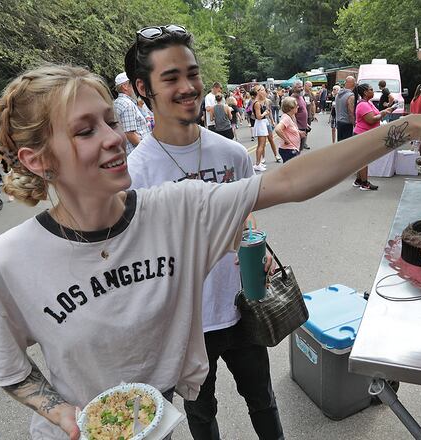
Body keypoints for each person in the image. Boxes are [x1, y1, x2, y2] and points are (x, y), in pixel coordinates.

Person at [0, 59, 421, 440]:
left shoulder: (175, 210)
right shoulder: (7, 262)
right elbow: (11, 369)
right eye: (85, 131)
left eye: (112, 120)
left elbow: (293, 180)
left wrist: (407, 127)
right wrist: (64, 415)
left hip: (162, 422)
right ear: (37, 159)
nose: (113, 138)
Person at [125, 31, 285, 439]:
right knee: (201, 413)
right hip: (187, 322)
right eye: (171, 77)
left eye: (193, 73)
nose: (188, 87)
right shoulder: (136, 173)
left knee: (263, 399)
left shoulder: (231, 153)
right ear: (143, 88)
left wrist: (256, 244)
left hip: (242, 303)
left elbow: (245, 215)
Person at [353, 83, 396, 191]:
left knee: (362, 159)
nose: (373, 91)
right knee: (364, 160)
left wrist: (385, 111)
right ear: (365, 92)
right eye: (371, 90)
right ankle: (364, 183)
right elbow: (371, 119)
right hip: (362, 135)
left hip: (366, 134)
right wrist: (382, 114)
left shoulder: (368, 103)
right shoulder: (363, 105)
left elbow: (376, 114)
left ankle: (359, 180)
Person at [113, 72, 149, 155]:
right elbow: (130, 134)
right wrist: (147, 150)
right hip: (138, 153)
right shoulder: (127, 104)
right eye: (133, 84)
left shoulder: (118, 102)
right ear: (125, 86)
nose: (136, 87)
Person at [274, 97, 301, 163]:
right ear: (291, 108)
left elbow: (289, 130)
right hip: (288, 149)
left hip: (290, 149)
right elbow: (277, 129)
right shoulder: (286, 118)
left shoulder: (289, 116)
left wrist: (299, 133)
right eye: (296, 105)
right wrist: (287, 141)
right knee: (292, 171)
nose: (298, 106)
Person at [252, 86, 273, 171]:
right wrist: (265, 113)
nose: (264, 91)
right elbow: (258, 116)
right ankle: (257, 164)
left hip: (262, 123)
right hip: (260, 124)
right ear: (258, 92)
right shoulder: (256, 103)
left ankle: (259, 162)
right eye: (262, 90)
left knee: (261, 145)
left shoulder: (259, 102)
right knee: (261, 145)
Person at [335, 76, 356, 142]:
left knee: (340, 143)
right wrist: (354, 124)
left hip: (339, 121)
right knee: (347, 145)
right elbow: (350, 112)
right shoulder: (351, 96)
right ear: (353, 84)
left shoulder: (338, 94)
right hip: (347, 123)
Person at [290, 81, 309, 151]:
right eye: (299, 87)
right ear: (294, 88)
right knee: (296, 149)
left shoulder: (300, 97)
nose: (301, 88)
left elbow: (303, 110)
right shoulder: (292, 99)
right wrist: (296, 129)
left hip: (303, 127)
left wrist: (306, 124)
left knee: (300, 148)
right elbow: (292, 115)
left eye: (301, 86)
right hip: (298, 128)